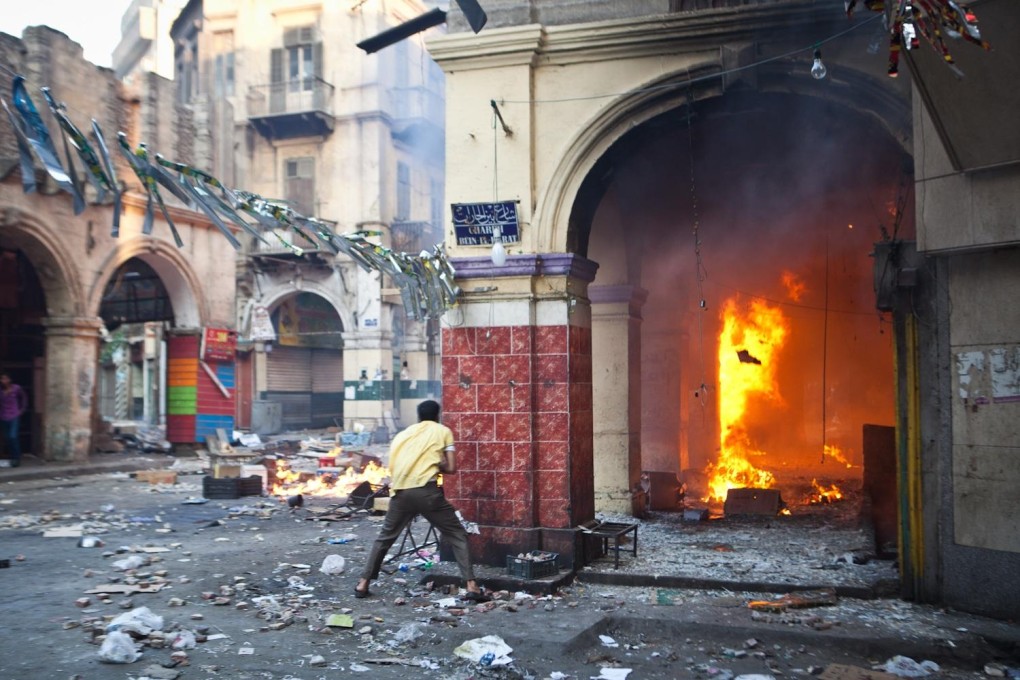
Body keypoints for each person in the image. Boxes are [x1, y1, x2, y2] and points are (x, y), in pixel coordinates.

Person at [355, 399, 488, 601]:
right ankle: (472, 586)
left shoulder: (402, 435)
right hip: (426, 492)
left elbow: (395, 464)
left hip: (400, 492)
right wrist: (435, 464)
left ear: (418, 416)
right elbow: (451, 468)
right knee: (457, 534)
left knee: (384, 539)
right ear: (438, 415)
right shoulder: (443, 431)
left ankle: (363, 584)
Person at [0, 372, 28, 468]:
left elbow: (24, 398)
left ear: (9, 379)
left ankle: (16, 458)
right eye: (2, 379)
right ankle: (12, 457)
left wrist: (21, 410)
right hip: (3, 416)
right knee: (7, 438)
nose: (4, 381)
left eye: (6, 378)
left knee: (13, 436)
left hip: (14, 416)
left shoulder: (16, 388)